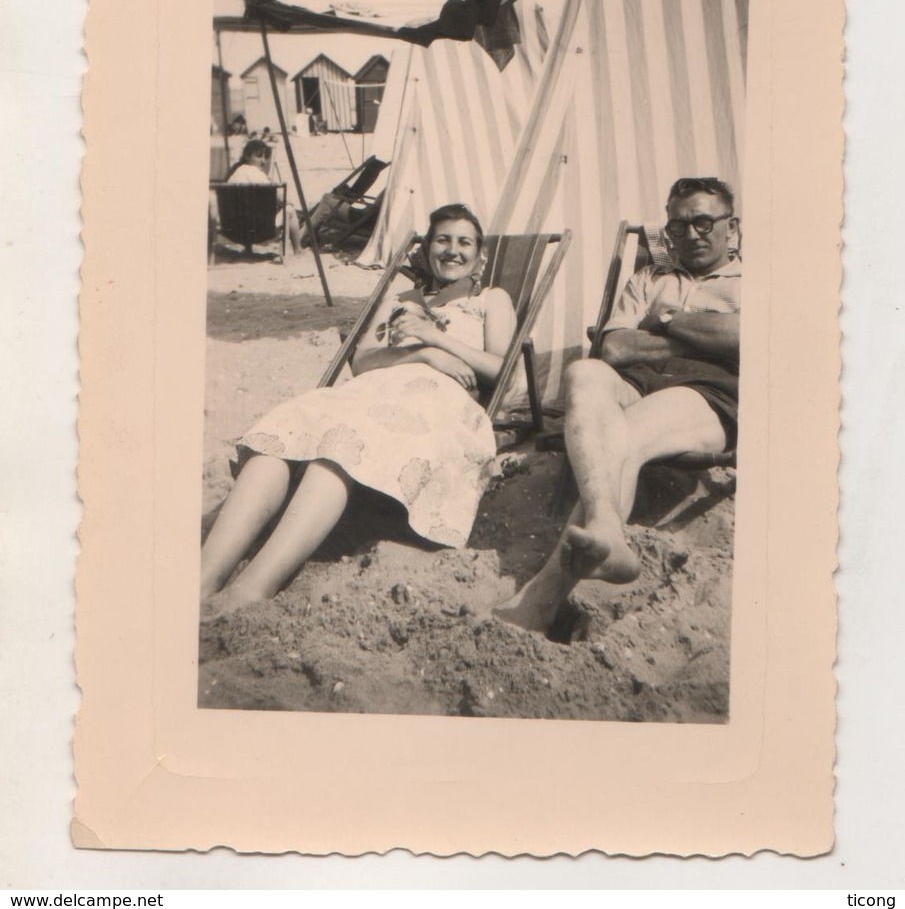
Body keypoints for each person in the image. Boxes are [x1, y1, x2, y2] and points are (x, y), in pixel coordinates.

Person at [201, 203, 517, 615]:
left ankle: (251, 590)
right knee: (282, 431)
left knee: (341, 448)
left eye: (464, 242)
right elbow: (363, 359)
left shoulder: (491, 299)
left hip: (437, 403)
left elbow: (501, 369)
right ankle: (205, 578)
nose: (452, 251)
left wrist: (435, 341)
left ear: (481, 255)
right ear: (426, 249)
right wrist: (422, 354)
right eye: (442, 240)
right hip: (373, 389)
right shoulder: (401, 298)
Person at [495, 177, 741, 635]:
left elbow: (746, 340)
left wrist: (666, 319)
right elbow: (613, 349)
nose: (691, 234)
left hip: (708, 393)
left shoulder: (755, 278)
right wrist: (701, 335)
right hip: (635, 383)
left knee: (625, 430)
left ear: (733, 226)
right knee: (582, 373)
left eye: (704, 221)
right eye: (679, 225)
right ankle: (607, 526)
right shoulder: (649, 277)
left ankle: (540, 600)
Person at [225, 139, 302, 253]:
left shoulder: (235, 173)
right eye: (259, 156)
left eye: (265, 157)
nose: (263, 161)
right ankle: (298, 250)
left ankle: (248, 249)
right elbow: (281, 199)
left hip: (233, 229)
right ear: (247, 156)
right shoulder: (255, 174)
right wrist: (287, 202)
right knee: (290, 210)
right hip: (258, 229)